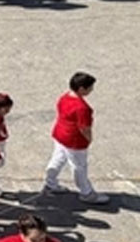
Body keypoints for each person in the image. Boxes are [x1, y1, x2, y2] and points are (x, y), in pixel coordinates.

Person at [42, 71, 102, 204]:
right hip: (74, 140)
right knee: (79, 166)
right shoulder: (82, 108)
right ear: (82, 89)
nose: (92, 90)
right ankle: (86, 193)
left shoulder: (64, 97)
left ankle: (50, 183)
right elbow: (84, 128)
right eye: (90, 87)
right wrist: (89, 139)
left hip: (60, 134)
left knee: (58, 158)